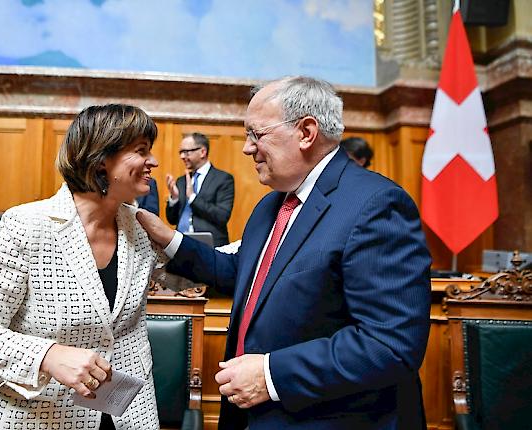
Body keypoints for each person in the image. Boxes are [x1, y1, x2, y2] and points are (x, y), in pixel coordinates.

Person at [137, 76, 432, 429]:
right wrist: (168, 238)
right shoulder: (271, 206)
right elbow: (243, 273)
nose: (247, 148)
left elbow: (390, 343)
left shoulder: (375, 205)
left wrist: (270, 374)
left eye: (256, 134)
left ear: (306, 132)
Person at [0, 104, 165, 430]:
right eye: (140, 151)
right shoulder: (29, 224)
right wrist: (46, 356)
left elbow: (184, 278)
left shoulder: (142, 229)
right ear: (101, 159)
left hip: (128, 416)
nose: (153, 162)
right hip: (37, 417)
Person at [165, 132, 234, 247]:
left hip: (210, 246)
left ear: (203, 152)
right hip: (181, 245)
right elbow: (172, 220)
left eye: (186, 152)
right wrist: (174, 198)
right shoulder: (181, 181)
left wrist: (192, 198)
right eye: (181, 152)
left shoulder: (223, 179)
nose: (182, 156)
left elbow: (222, 216)